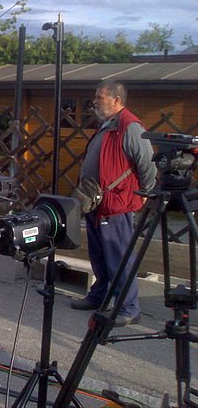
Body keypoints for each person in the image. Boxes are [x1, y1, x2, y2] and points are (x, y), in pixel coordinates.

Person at [70, 80, 157, 327]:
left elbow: (147, 163)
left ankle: (128, 308)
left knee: (119, 258)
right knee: (99, 256)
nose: (95, 101)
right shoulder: (109, 124)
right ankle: (100, 296)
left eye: (100, 97)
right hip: (97, 202)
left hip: (115, 204)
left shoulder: (130, 126)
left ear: (116, 100)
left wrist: (145, 192)